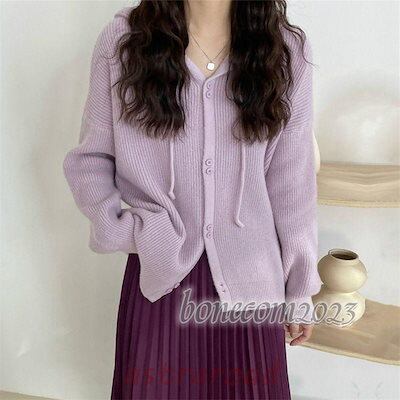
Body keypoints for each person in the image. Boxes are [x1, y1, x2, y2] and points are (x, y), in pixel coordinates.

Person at [63, 1, 322, 399]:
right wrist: (125, 230)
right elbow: (90, 161)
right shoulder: (125, 40)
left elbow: (293, 185)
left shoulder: (284, 50)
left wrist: (299, 288)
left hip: (253, 288)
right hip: (160, 276)